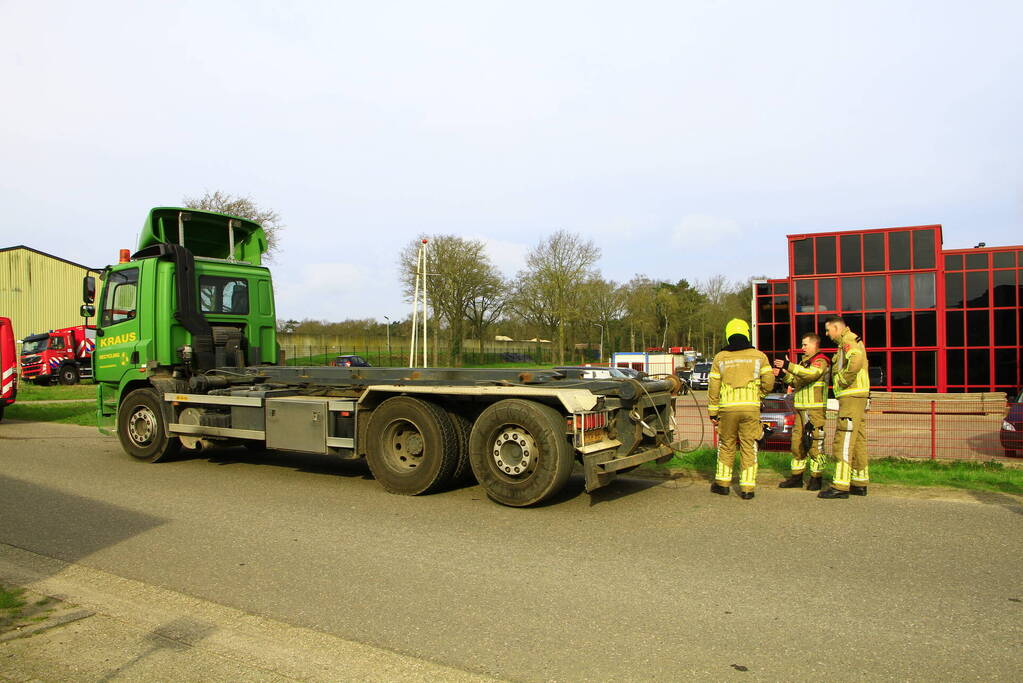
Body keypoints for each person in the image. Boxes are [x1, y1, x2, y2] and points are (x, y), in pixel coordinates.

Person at [707, 318, 775, 499]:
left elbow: (713, 387)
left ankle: (722, 484)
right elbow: (769, 383)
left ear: (729, 335)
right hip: (750, 408)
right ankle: (747, 489)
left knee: (726, 444)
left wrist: (713, 412)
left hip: (727, 409)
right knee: (749, 445)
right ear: (746, 333)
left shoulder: (720, 357)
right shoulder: (759, 356)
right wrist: (757, 395)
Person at [819, 315, 870, 499]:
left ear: (837, 328)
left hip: (851, 394)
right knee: (858, 440)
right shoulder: (847, 342)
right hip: (857, 394)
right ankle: (859, 482)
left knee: (844, 437)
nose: (826, 334)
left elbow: (855, 360)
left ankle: (840, 485)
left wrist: (841, 380)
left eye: (828, 330)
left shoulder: (849, 341)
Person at [774, 333, 830, 491]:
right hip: (800, 408)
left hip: (814, 409)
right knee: (797, 443)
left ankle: (816, 478)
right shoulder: (803, 363)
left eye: (805, 345)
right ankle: (797, 477)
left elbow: (811, 375)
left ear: (814, 345)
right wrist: (784, 374)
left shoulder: (820, 361)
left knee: (815, 443)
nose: (802, 348)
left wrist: (789, 365)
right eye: (802, 344)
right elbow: (796, 380)